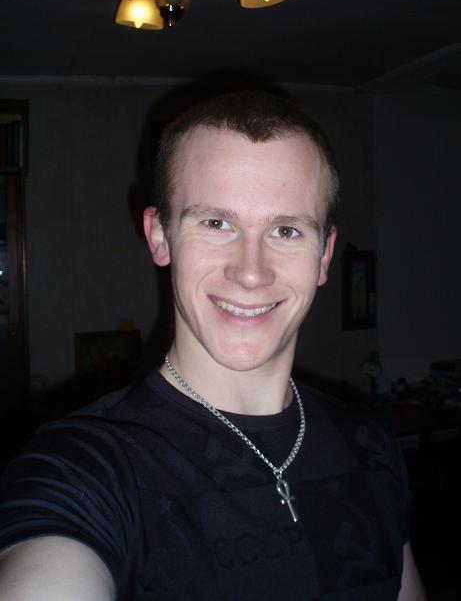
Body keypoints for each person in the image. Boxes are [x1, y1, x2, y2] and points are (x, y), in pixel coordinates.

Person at [0, 91, 426, 600]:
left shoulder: (371, 441)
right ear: (160, 237)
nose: (251, 272)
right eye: (216, 223)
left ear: (324, 256)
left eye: (286, 230)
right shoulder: (84, 468)